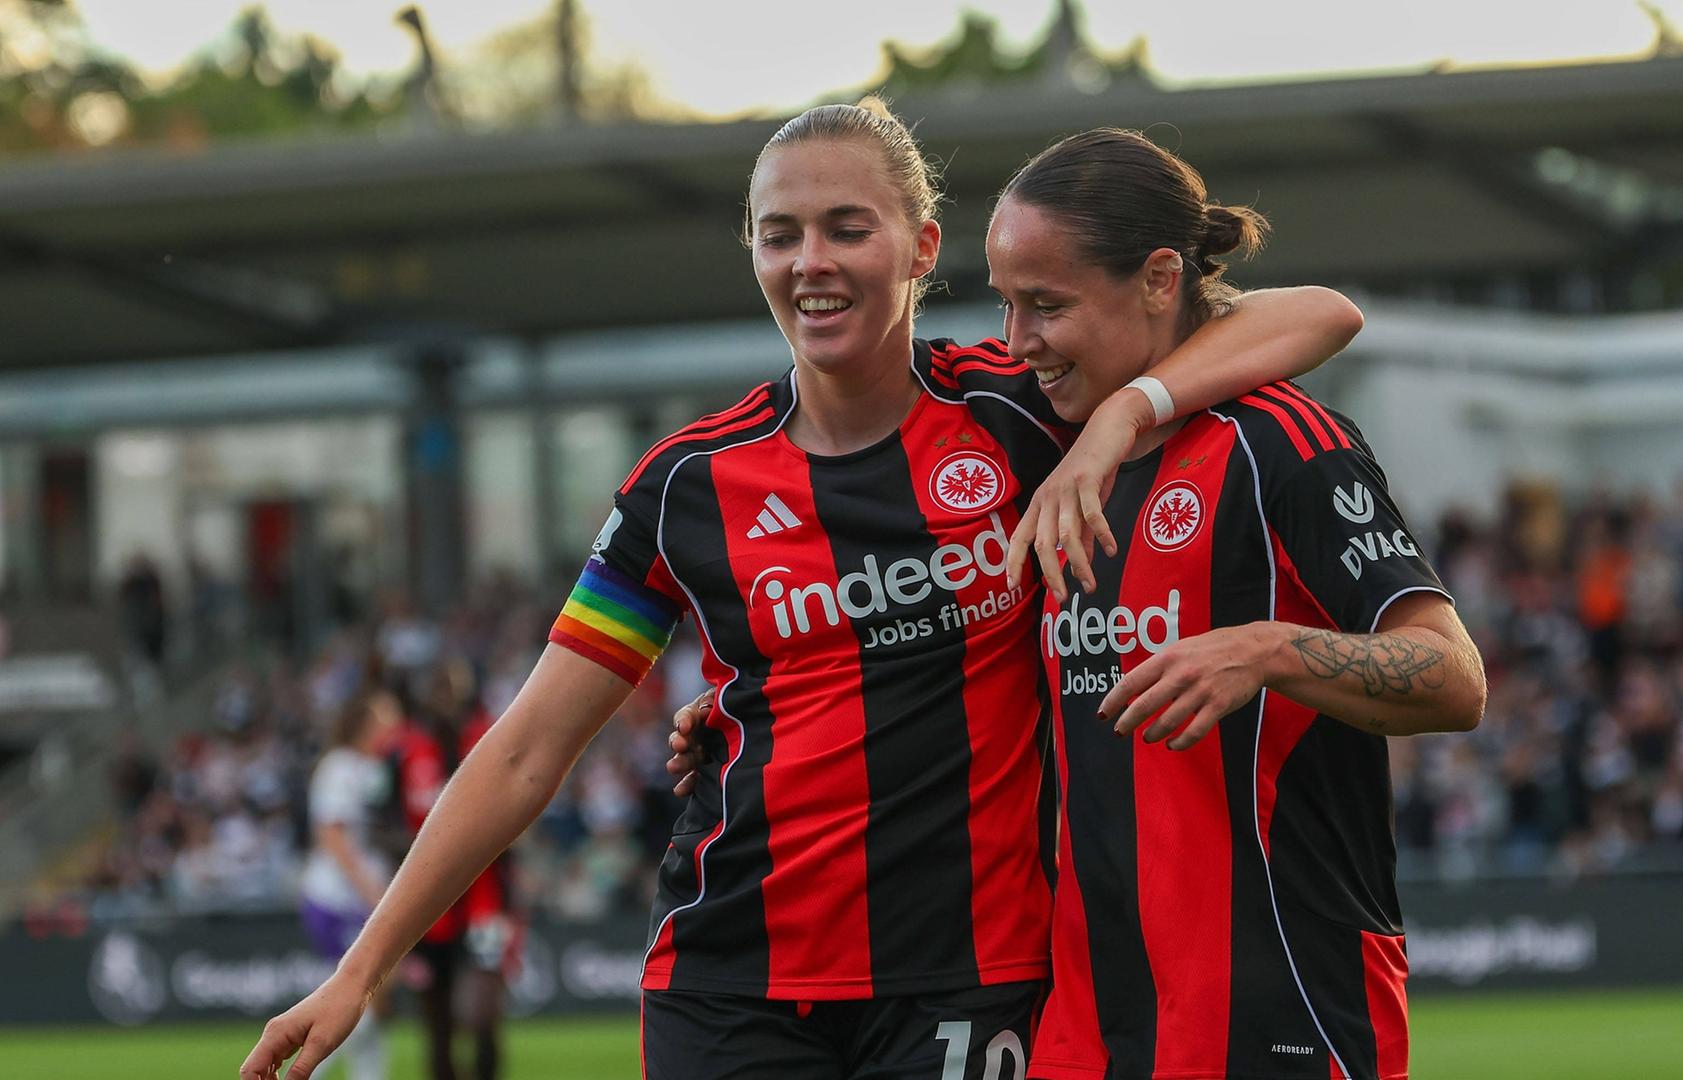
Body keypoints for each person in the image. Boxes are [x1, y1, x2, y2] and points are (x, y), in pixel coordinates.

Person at [241, 97, 1360, 1080]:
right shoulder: (683, 490)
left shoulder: (1021, 410)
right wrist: (358, 973)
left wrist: (1127, 411)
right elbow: (530, 747)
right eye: (780, 235)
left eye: (846, 228)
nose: (810, 260)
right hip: (729, 984)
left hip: (965, 983)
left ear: (922, 246)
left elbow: (1315, 313)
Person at [984, 128, 1486, 1080]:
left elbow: (1455, 678)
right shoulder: (1045, 443)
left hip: (1282, 1005)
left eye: (1046, 306)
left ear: (1160, 278)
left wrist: (1265, 650)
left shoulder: (1283, 444)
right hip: (1089, 1024)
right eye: (1007, 305)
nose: (1019, 342)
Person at [394, 657, 516, 1080]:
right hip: (428, 909)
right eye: (439, 688)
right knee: (437, 1025)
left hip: (485, 900)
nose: (446, 697)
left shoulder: (489, 739)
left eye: (453, 687)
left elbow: (519, 808)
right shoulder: (404, 751)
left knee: (483, 1016)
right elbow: (381, 821)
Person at [298, 689, 403, 1080]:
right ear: (365, 724)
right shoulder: (339, 767)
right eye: (387, 717)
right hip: (338, 899)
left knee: (374, 1003)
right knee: (350, 1002)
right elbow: (334, 838)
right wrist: (375, 895)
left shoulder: (376, 769)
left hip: (367, 898)